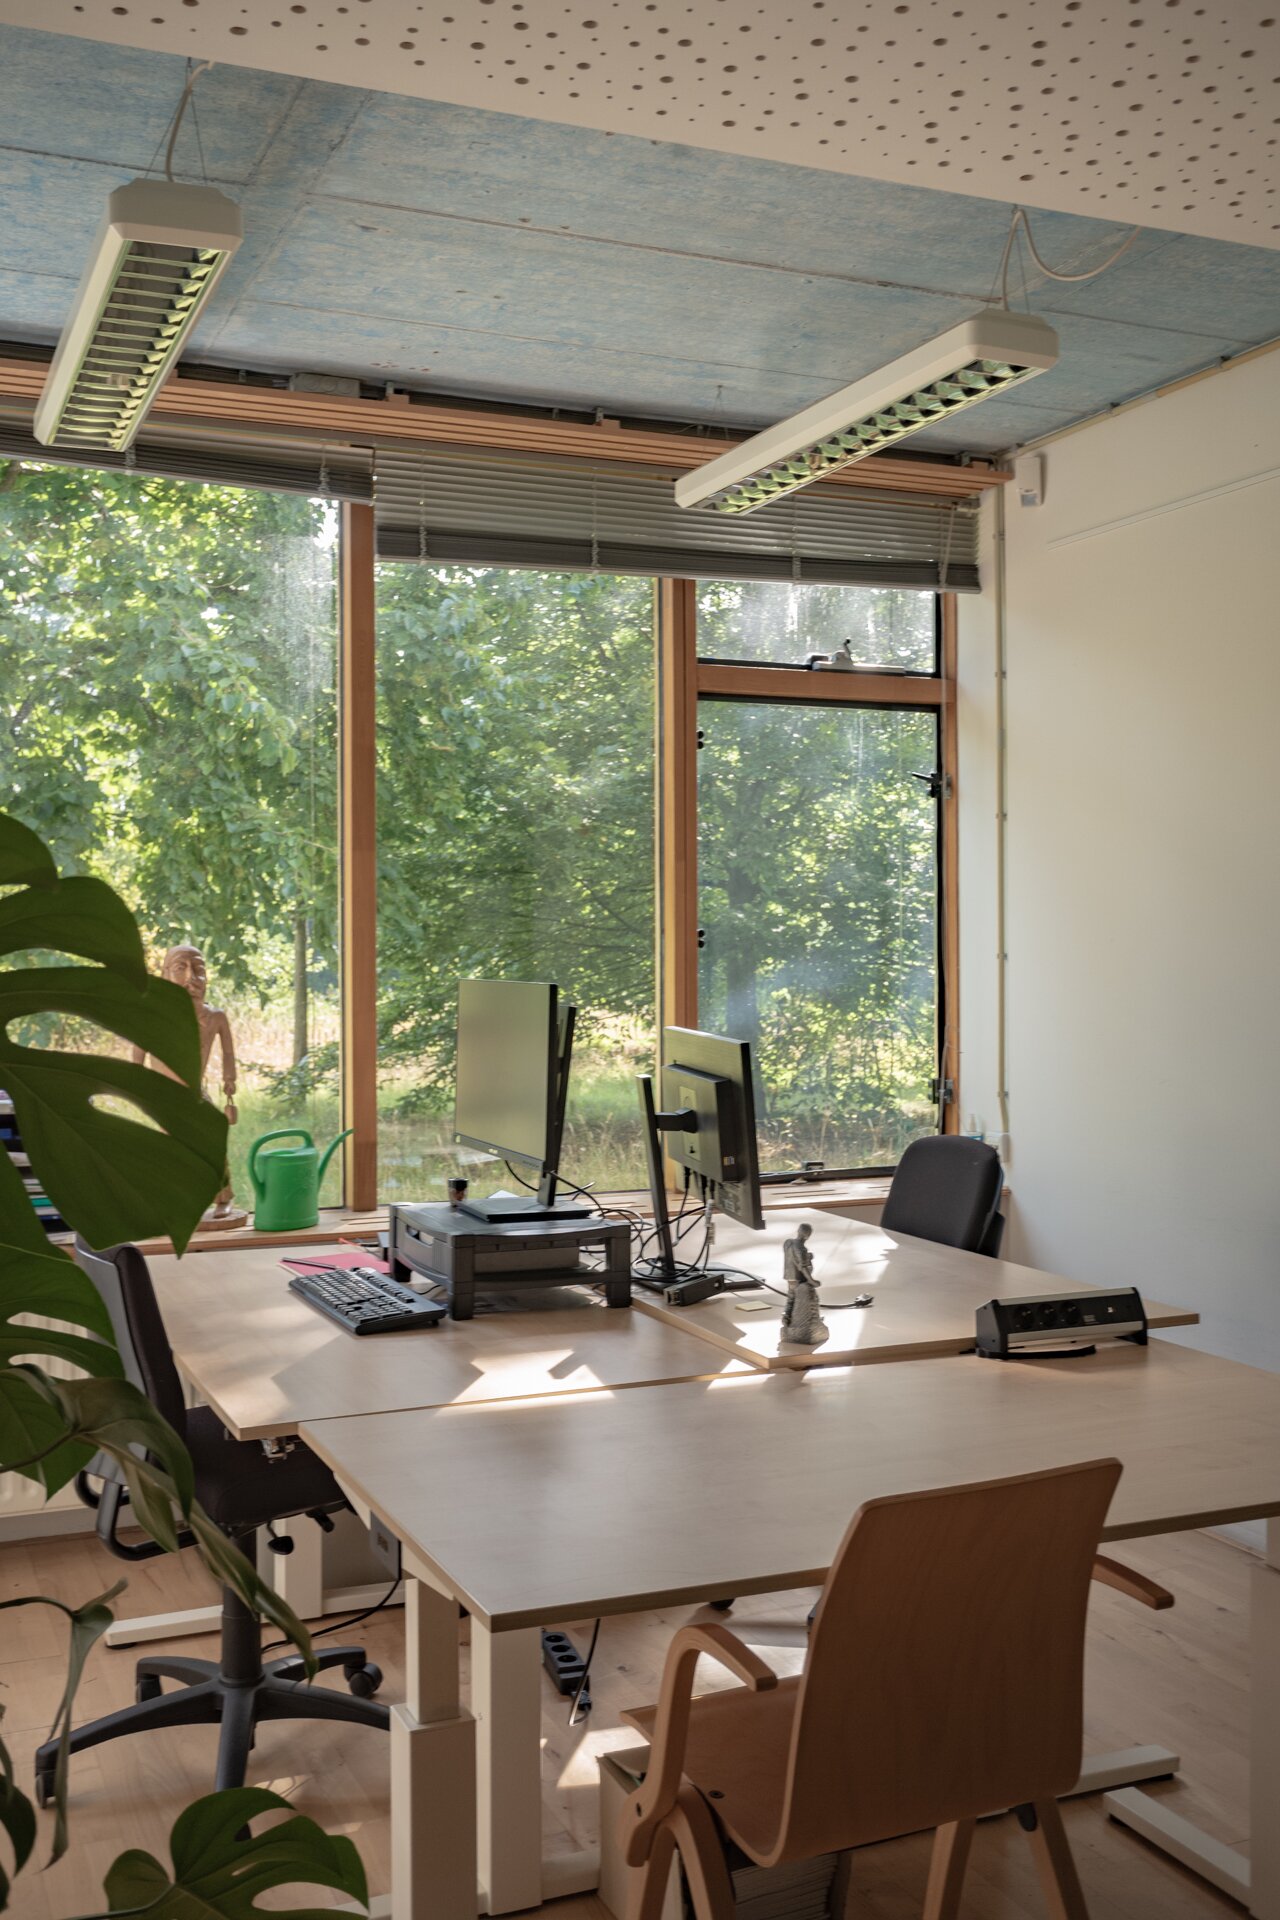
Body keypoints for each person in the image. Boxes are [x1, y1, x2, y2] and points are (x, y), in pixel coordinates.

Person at [132, 944, 245, 1228]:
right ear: (164, 974)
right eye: (180, 968)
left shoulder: (214, 1017)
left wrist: (229, 1084)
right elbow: (137, 1055)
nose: (191, 977)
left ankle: (223, 1196)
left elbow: (229, 1054)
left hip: (197, 1094)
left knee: (212, 1144)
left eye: (199, 970)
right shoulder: (150, 1015)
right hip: (164, 1097)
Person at [780, 1219, 827, 1345]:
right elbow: (803, 1266)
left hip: (789, 1276)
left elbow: (792, 1258)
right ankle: (810, 1320)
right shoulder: (801, 1249)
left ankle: (786, 1318)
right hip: (799, 1278)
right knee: (811, 1298)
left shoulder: (788, 1243)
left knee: (791, 1299)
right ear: (807, 1235)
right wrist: (812, 1281)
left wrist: (808, 1256)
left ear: (798, 1231)